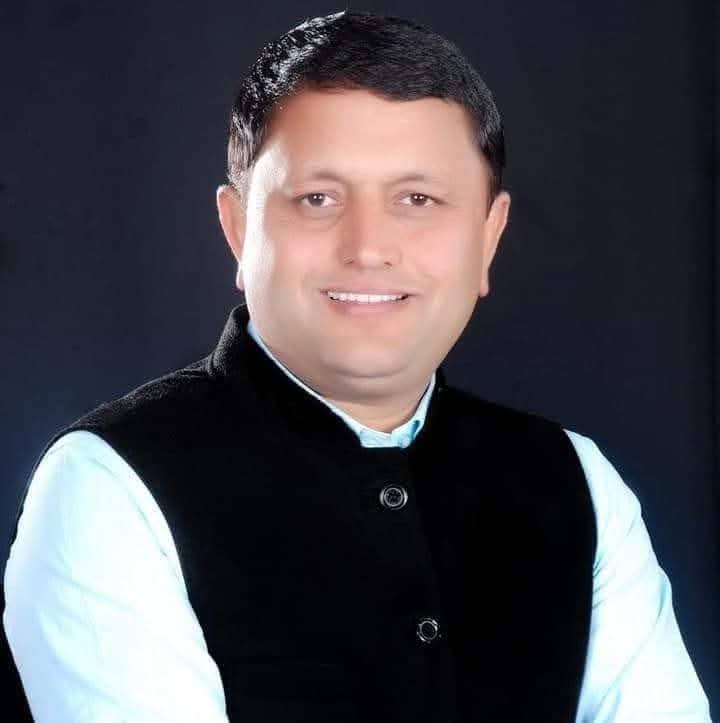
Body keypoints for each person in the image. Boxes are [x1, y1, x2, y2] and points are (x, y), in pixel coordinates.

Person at [2, 8, 712, 723]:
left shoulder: (575, 479)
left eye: (417, 199)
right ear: (238, 229)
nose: (368, 247)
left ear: (488, 236)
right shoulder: (110, 485)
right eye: (317, 198)